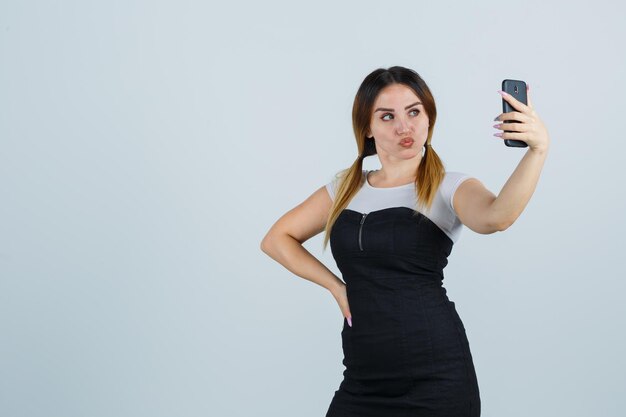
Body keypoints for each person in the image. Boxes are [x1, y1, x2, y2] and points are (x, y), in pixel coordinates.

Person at [260, 66, 549, 417]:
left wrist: (536, 152)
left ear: (429, 118)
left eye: (414, 112)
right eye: (387, 116)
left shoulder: (449, 186)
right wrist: (337, 288)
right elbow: (276, 239)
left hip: (436, 379)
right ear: (367, 127)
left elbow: (497, 216)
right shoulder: (343, 189)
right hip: (363, 380)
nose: (404, 127)